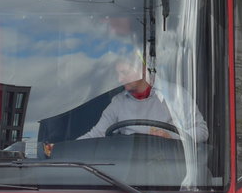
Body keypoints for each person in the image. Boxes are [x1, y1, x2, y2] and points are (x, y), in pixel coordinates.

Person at [78, 52, 208, 142]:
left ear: (142, 69)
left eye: (124, 73)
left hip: (170, 165)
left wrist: (171, 136)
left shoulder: (176, 95)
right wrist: (66, 150)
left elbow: (202, 131)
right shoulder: (118, 102)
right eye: (118, 74)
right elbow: (96, 134)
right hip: (130, 168)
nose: (119, 79)